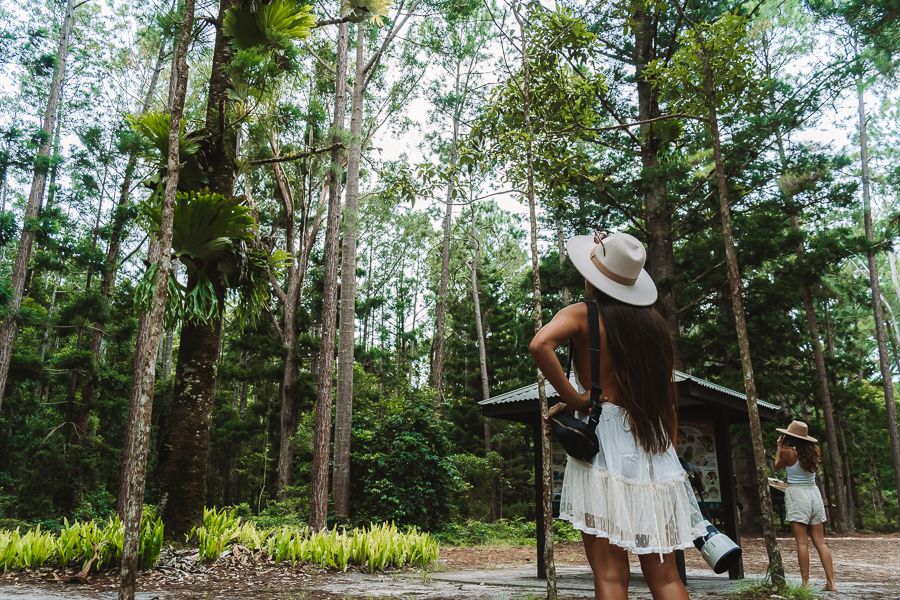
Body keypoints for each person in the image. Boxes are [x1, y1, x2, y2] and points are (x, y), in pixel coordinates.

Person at [529, 231, 709, 600]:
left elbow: (540, 344)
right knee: (666, 576)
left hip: (604, 440)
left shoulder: (583, 314)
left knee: (610, 576)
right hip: (651, 440)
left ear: (595, 276)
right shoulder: (653, 326)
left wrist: (575, 399)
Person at [774, 420, 836, 591]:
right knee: (821, 542)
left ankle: (805, 585)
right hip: (814, 494)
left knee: (802, 543)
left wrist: (779, 447)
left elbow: (776, 467)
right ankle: (831, 582)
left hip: (797, 495)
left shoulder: (787, 452)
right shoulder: (814, 451)